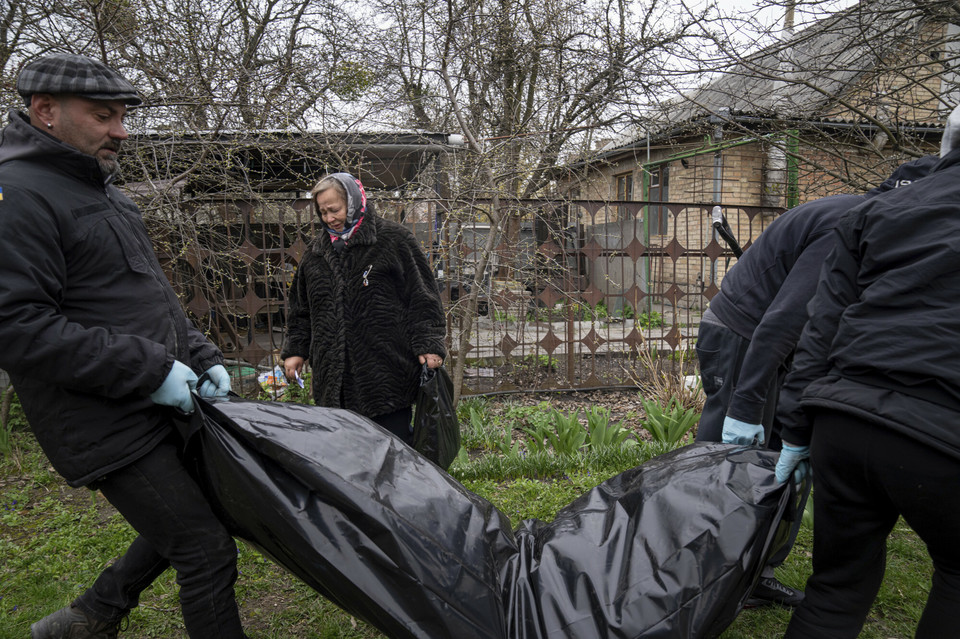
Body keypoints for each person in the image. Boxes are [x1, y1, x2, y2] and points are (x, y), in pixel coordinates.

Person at [0, 54, 245, 638]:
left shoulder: (102, 188)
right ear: (45, 111)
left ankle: (91, 616)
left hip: (150, 399)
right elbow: (15, 325)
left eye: (123, 116)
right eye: (104, 116)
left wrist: (202, 355)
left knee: (200, 518)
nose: (122, 131)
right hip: (99, 416)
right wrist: (151, 368)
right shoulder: (18, 195)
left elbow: (146, 294)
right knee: (204, 550)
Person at [694, 154, 937, 607]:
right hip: (744, 337)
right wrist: (745, 406)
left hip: (780, 345)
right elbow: (782, 320)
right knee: (725, 464)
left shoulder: (871, 219)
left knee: (776, 460)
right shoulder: (850, 223)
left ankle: (751, 573)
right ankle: (695, 575)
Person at [772, 108, 960, 638]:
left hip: (845, 424)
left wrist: (796, 430)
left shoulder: (878, 211)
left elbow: (822, 324)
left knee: (835, 585)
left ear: (943, 147)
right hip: (943, 436)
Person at [281, 173, 447, 444]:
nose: (328, 218)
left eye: (334, 209)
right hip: (333, 377)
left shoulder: (393, 240)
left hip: (385, 372)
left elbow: (423, 296)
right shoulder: (315, 254)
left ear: (354, 202)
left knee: (391, 449)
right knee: (344, 453)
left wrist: (429, 343)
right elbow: (301, 309)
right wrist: (296, 351)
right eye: (322, 212)